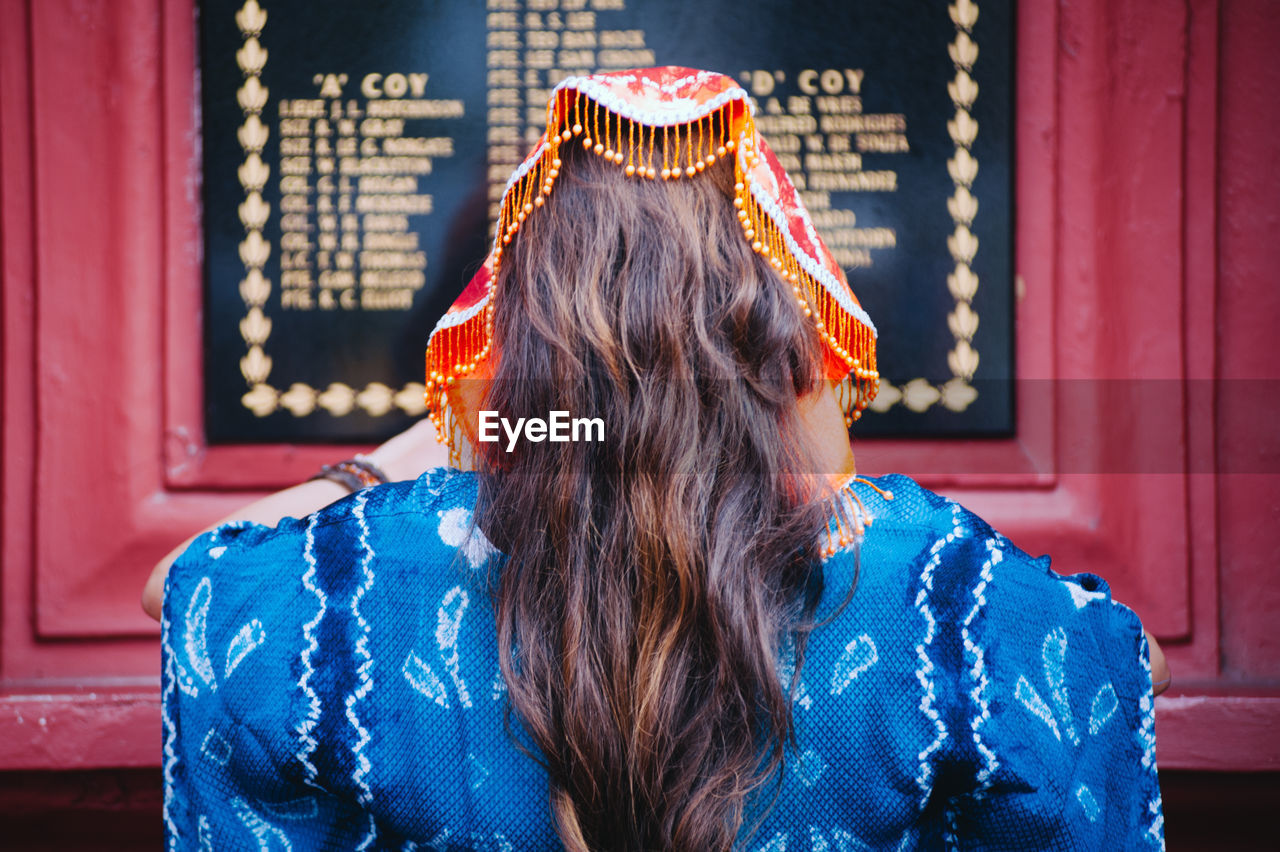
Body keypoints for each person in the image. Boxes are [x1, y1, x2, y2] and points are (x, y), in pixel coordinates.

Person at [145, 68, 1168, 851]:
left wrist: (428, 449)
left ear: (518, 340)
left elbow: (179, 588)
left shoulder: (360, 584)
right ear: (781, 330)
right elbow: (1120, 660)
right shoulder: (933, 589)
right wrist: (807, 462)